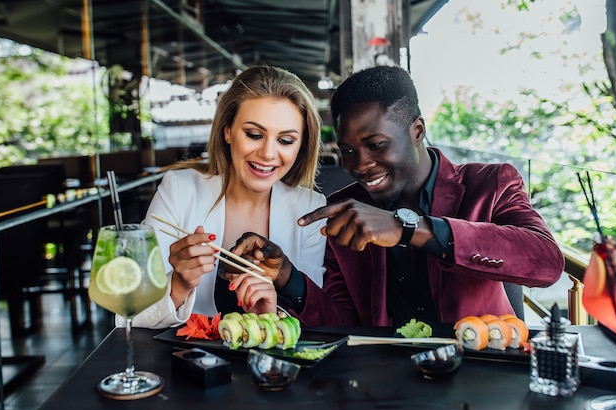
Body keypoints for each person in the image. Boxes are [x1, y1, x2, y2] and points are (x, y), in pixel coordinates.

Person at [228, 65, 565, 327]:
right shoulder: (345, 210)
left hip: (480, 375)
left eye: (376, 145)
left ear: (416, 131)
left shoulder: (489, 184)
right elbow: (344, 325)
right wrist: (287, 277)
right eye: (347, 150)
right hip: (386, 383)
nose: (359, 165)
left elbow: (547, 263)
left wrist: (409, 228)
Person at [119, 65, 327, 329]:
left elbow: (315, 314)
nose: (268, 153)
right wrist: (178, 283)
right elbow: (131, 312)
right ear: (227, 131)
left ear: (301, 146)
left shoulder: (310, 208)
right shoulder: (180, 190)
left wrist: (272, 315)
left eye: (285, 140)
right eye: (254, 135)